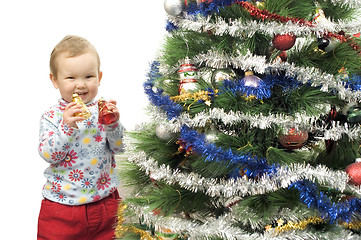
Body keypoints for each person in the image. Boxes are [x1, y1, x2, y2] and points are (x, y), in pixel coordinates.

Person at [37, 35, 124, 240]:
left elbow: (120, 147)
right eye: (71, 78)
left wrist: (113, 124)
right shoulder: (52, 117)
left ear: (99, 77)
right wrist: (67, 127)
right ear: (55, 80)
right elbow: (48, 154)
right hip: (62, 208)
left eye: (88, 77)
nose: (81, 85)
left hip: (105, 204)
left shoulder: (103, 111)